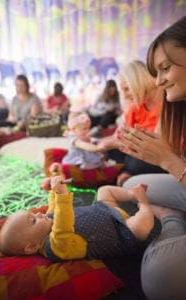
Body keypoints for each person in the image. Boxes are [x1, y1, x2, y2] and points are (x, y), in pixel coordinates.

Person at [117, 16, 186, 300]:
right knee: (132, 185)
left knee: (160, 276)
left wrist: (168, 160)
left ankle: (170, 221)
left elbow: (169, 155)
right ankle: (173, 216)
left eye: (165, 68)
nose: (158, 81)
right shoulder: (174, 105)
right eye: (154, 72)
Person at [0, 175, 154, 261]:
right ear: (32, 247)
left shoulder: (48, 218)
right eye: (33, 220)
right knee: (141, 227)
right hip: (122, 232)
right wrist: (62, 195)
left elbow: (54, 206)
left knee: (104, 190)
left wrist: (53, 187)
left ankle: (131, 194)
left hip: (105, 209)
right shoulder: (55, 246)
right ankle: (144, 204)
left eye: (32, 214)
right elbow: (63, 222)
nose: (39, 214)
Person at [99, 60, 166, 185]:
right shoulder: (137, 104)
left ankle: (126, 172)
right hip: (140, 149)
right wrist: (105, 144)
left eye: (126, 89)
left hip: (162, 153)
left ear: (138, 83)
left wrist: (121, 141)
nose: (124, 95)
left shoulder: (166, 100)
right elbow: (120, 135)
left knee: (134, 161)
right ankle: (126, 172)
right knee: (111, 151)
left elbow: (156, 146)